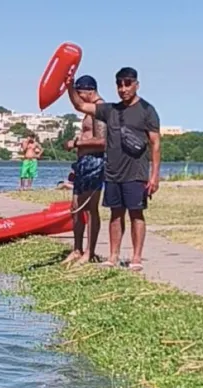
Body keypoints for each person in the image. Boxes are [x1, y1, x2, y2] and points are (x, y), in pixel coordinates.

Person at [67, 66, 160, 271]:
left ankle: (136, 257)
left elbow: (155, 144)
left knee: (136, 214)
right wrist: (68, 85)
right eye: (120, 84)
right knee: (115, 214)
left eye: (128, 84)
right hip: (113, 172)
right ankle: (113, 255)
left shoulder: (147, 110)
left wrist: (154, 176)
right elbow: (81, 105)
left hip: (136, 172)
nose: (123, 88)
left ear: (136, 84)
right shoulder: (111, 110)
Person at [61, 75, 107, 267]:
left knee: (90, 209)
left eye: (80, 93)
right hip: (83, 163)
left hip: (94, 162)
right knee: (75, 208)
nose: (79, 99)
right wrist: (68, 86)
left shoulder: (100, 110)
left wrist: (76, 143)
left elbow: (103, 141)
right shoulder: (89, 110)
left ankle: (90, 251)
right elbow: (76, 104)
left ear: (89, 91)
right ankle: (77, 249)